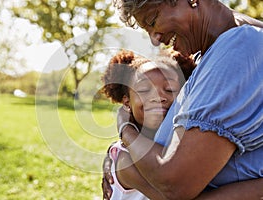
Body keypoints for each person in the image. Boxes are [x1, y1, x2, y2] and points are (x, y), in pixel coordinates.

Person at [102, 0, 263, 199]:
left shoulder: (238, 48)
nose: (154, 39)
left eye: (152, 21)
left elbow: (174, 184)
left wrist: (125, 132)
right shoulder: (207, 57)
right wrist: (119, 152)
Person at [101, 49, 186, 199]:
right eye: (145, 89)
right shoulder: (125, 159)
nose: (158, 97)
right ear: (127, 102)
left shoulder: (180, 139)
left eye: (169, 89)